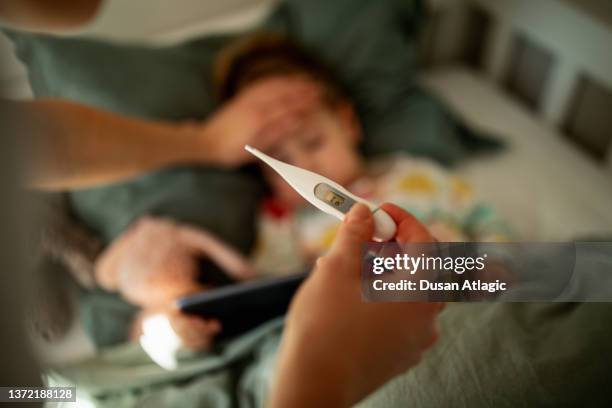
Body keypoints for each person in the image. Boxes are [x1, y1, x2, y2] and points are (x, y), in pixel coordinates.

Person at [0, 1, 443, 407]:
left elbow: (499, 273)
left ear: (347, 120)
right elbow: (258, 306)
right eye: (284, 160)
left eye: (313, 140)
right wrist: (175, 325)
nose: (307, 163)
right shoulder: (276, 225)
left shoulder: (421, 181)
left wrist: (439, 269)